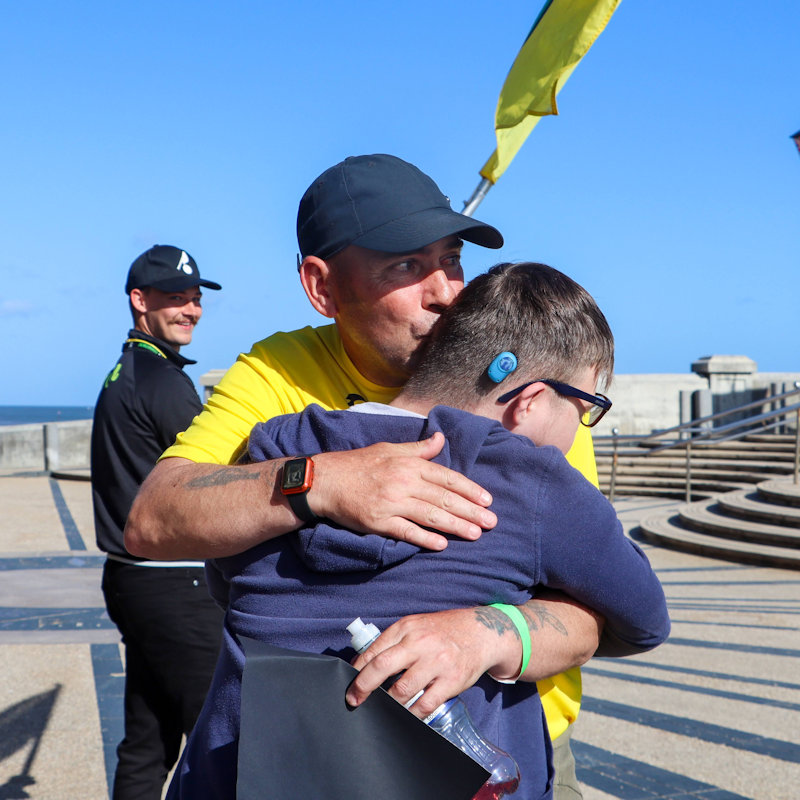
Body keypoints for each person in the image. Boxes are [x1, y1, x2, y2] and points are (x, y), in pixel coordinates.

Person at [125, 155, 606, 796]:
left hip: (507, 750)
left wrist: (485, 636)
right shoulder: (281, 372)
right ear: (322, 287)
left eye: (452, 259)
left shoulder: (529, 388)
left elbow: (596, 613)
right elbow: (153, 519)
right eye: (406, 265)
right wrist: (321, 481)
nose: (448, 292)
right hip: (319, 751)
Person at [166, 262, 671, 800]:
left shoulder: (274, 448)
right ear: (530, 401)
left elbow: (225, 581)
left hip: (243, 775)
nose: (580, 431)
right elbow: (645, 619)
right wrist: (507, 625)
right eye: (585, 406)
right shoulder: (533, 481)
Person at [91, 244, 225, 800]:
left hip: (132, 579)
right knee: (221, 745)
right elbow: (218, 478)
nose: (191, 309)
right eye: (176, 298)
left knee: (147, 743)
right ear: (139, 301)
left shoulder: (125, 372)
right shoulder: (165, 382)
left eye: (194, 298)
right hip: (177, 584)